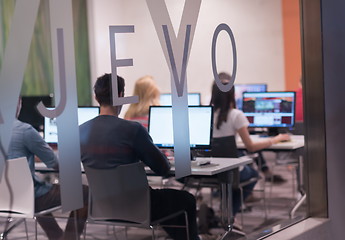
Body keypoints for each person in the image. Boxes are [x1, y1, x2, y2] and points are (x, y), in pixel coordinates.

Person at [79, 74, 205, 240]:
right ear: (122, 96)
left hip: (102, 206)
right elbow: (162, 168)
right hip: (138, 206)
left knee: (168, 201)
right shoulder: (132, 130)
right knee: (185, 198)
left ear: (96, 97)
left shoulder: (79, 131)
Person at [210, 72, 291, 217]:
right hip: (230, 171)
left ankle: (224, 210)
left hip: (210, 171)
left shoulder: (207, 114)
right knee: (253, 174)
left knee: (236, 172)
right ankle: (229, 214)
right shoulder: (235, 115)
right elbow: (251, 147)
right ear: (232, 94)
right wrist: (275, 139)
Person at [8, 98, 88, 240]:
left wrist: (33, 154)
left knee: (39, 192)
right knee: (84, 193)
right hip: (29, 197)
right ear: (18, 103)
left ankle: (57, 236)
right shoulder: (25, 130)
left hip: (6, 197)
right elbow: (55, 164)